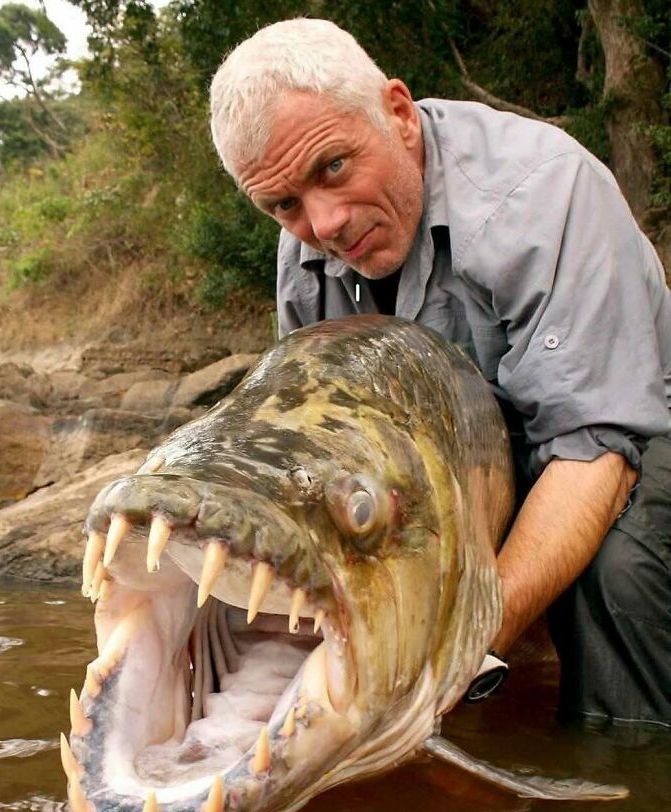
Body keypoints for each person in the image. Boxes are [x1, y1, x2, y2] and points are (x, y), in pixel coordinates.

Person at [209, 18, 671, 726]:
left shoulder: (545, 192)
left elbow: (594, 451)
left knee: (617, 577)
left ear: (397, 114)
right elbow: (321, 453)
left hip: (625, 426)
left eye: (333, 167)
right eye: (284, 204)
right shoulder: (302, 254)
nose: (324, 224)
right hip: (472, 458)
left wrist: (451, 657)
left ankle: (630, 792)